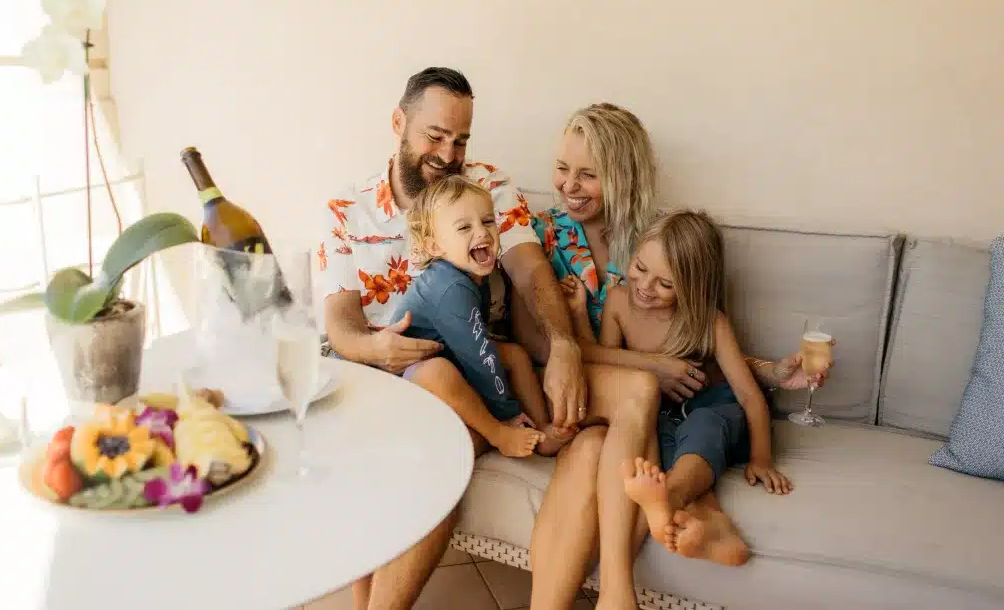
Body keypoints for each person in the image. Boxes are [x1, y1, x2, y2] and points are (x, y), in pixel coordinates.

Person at [318, 68, 655, 610]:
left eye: (461, 140)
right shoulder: (347, 211)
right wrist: (376, 349)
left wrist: (565, 345)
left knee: (628, 394)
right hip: (395, 378)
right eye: (435, 136)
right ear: (399, 123)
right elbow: (341, 325)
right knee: (430, 433)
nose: (449, 153)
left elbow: (530, 273)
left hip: (477, 366)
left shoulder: (489, 187)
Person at [514, 103, 833, 609]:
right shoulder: (536, 235)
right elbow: (537, 342)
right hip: (578, 380)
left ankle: (602, 590)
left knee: (602, 450)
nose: (568, 185)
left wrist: (768, 371)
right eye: (561, 168)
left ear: (622, 177)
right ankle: (619, 591)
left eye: (588, 174)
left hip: (638, 407)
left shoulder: (656, 238)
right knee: (638, 397)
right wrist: (652, 368)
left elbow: (695, 344)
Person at [568, 209, 792, 568]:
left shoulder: (709, 322)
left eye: (665, 283)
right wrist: (580, 315)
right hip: (663, 414)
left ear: (692, 287)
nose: (644, 286)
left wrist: (762, 458)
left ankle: (667, 498)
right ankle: (715, 526)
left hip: (714, 409)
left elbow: (748, 394)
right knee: (659, 438)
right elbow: (604, 360)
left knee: (702, 429)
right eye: (640, 268)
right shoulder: (618, 302)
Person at [390, 174, 572, 457]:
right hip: (409, 383)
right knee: (438, 372)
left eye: (487, 221)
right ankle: (498, 432)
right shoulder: (450, 287)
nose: (482, 232)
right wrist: (508, 414)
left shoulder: (472, 271)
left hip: (448, 356)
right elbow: (480, 358)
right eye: (464, 227)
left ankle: (541, 426)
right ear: (435, 246)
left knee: (513, 354)